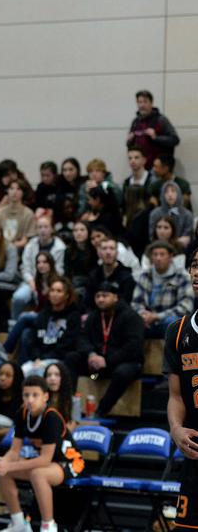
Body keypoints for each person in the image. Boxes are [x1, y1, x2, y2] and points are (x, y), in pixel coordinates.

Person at [0, 375, 84, 532]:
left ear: (45, 396)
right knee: (3, 472)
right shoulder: (22, 414)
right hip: (47, 463)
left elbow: (44, 459)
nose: (30, 399)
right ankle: (18, 524)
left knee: (38, 474)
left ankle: (48, 525)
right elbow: (14, 450)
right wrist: (3, 462)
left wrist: (12, 464)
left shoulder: (52, 417)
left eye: (35, 395)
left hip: (71, 462)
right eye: (26, 395)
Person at [73, 281, 144, 416]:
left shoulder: (131, 316)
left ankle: (101, 410)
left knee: (123, 372)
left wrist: (107, 361)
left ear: (115, 297)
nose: (100, 299)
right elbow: (82, 338)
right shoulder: (94, 316)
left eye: (105, 295)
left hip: (125, 362)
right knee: (72, 358)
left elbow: (133, 347)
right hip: (97, 363)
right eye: (97, 296)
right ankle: (70, 404)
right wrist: (91, 354)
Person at [165, 246, 198, 530]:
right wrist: (175, 428)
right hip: (195, 451)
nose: (197, 272)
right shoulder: (177, 331)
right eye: (195, 265)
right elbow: (175, 395)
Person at [131, 240, 194, 338]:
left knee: (173, 323)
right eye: (155, 255)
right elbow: (136, 302)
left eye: (162, 254)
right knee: (131, 321)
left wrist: (157, 317)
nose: (158, 258)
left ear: (171, 256)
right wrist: (143, 315)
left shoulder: (182, 276)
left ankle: (170, 353)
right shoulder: (145, 275)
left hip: (169, 319)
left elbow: (185, 307)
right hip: (147, 320)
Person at [21, 277, 81, 377]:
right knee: (21, 373)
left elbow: (68, 344)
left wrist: (44, 359)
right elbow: (33, 339)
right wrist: (36, 357)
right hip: (38, 360)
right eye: (52, 290)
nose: (54, 294)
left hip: (59, 359)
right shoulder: (43, 314)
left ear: (67, 295)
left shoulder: (73, 316)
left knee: (40, 373)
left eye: (59, 291)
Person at [13, 217, 66, 320]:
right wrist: (31, 281)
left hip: (51, 283)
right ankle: (15, 323)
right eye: (39, 227)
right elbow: (25, 267)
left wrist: (47, 283)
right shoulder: (31, 244)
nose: (43, 230)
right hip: (31, 281)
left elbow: (60, 270)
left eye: (46, 227)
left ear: (51, 229)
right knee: (18, 297)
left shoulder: (60, 247)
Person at [126, 89, 179, 168]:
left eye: (145, 102)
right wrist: (129, 141)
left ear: (151, 103)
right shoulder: (135, 122)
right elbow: (131, 147)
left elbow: (175, 140)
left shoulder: (161, 120)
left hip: (158, 169)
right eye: (139, 102)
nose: (142, 105)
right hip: (141, 169)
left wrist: (156, 137)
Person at [84, 234, 136, 310]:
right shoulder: (93, 275)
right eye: (104, 249)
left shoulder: (126, 276)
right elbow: (88, 302)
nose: (108, 252)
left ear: (117, 252)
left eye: (112, 248)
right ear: (99, 253)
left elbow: (126, 303)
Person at [0, 179, 36, 251]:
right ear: (7, 191)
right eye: (11, 188)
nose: (14, 192)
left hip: (19, 250)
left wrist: (9, 247)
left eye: (18, 189)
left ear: (23, 193)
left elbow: (26, 240)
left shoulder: (28, 214)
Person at [150, 181, 193, 250]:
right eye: (166, 192)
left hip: (181, 250)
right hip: (159, 248)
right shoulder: (155, 214)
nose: (170, 194)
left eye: (173, 191)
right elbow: (152, 236)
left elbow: (187, 237)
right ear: (162, 195)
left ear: (178, 193)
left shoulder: (187, 214)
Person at [122, 147, 154, 226]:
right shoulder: (127, 182)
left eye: (136, 157)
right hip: (131, 220)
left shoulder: (152, 180)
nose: (132, 161)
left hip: (148, 220)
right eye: (130, 158)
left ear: (144, 160)